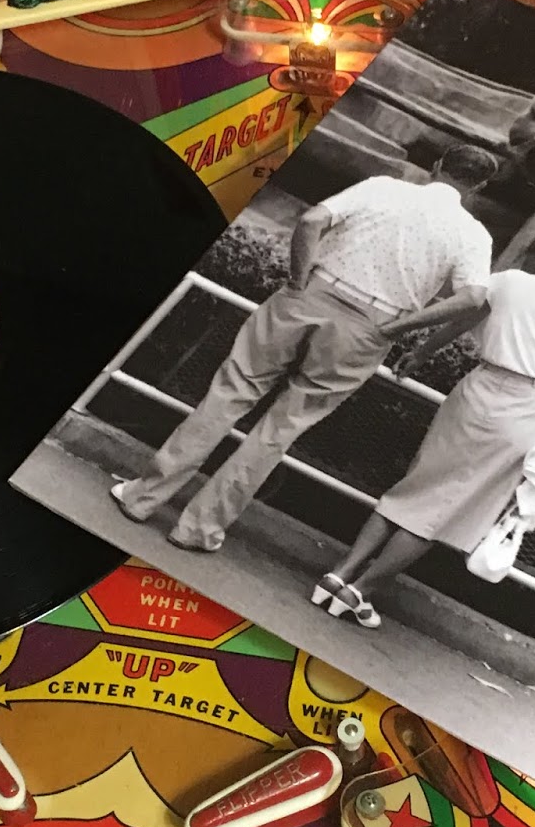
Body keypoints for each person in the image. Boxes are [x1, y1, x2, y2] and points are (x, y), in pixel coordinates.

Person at [112, 146, 500, 552]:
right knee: (281, 428)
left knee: (230, 393)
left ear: (437, 165)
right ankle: (200, 529)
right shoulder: (472, 234)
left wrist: (298, 282)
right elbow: (474, 297)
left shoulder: (384, 188)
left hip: (314, 291)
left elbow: (313, 219)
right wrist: (400, 327)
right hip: (372, 326)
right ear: (480, 187)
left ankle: (143, 497)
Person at [315, 231, 535, 626]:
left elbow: (462, 320)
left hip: (476, 389)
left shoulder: (509, 281)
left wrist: (422, 352)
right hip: (525, 410)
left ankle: (340, 574)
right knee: (444, 511)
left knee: (416, 485)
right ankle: (361, 590)